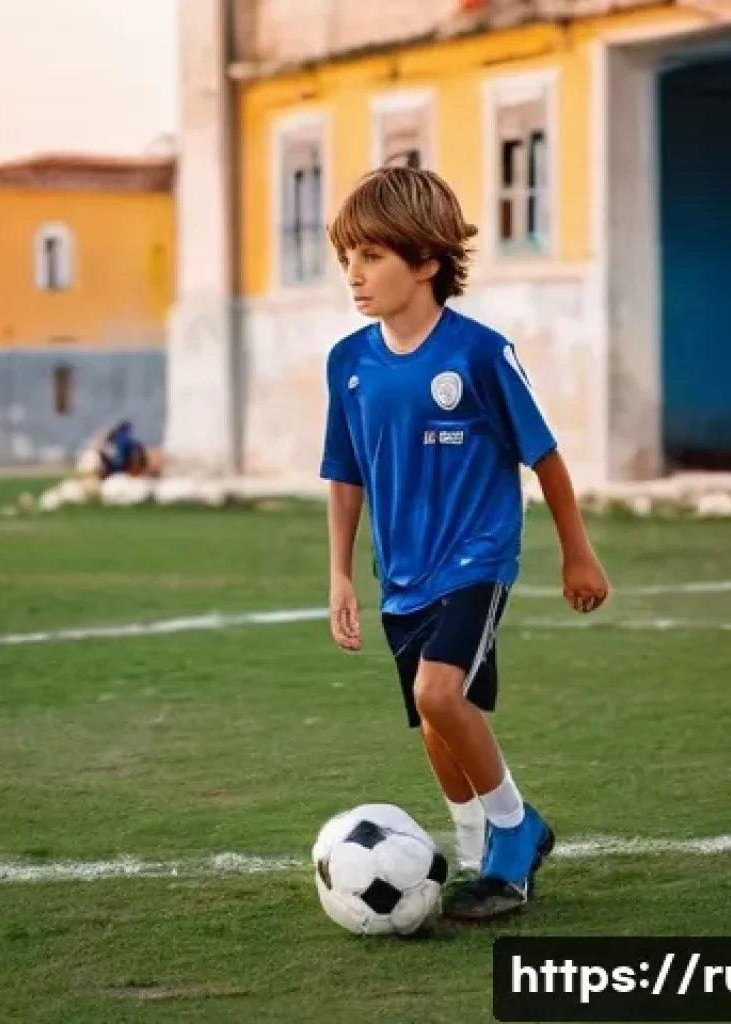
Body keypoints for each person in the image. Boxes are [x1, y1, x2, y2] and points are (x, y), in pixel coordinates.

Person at [318, 166, 610, 922]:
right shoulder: (348, 363)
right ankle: (480, 849)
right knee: (436, 724)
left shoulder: (479, 353)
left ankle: (516, 829)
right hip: (402, 572)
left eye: (371, 256)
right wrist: (340, 574)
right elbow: (344, 474)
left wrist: (577, 552)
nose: (353, 273)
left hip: (478, 557)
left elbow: (544, 456)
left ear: (426, 262)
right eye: (346, 256)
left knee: (438, 693)